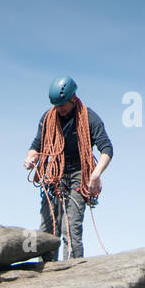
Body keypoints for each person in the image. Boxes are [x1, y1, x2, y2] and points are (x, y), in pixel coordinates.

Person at [23, 76, 113, 261]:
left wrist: (95, 175)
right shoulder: (48, 118)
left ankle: (73, 273)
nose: (59, 109)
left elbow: (107, 149)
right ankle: (44, 273)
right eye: (56, 105)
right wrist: (30, 157)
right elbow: (36, 145)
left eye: (62, 105)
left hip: (79, 175)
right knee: (48, 228)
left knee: (70, 229)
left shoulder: (89, 118)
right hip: (53, 175)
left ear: (73, 98)